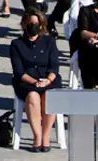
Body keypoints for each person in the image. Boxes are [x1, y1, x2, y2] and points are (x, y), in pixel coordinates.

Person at [9, 8, 62, 153]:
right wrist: (34, 82)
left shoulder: (49, 41)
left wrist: (48, 80)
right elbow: (18, 72)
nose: (33, 26)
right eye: (30, 23)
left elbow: (54, 66)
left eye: (36, 23)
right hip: (26, 82)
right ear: (24, 24)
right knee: (33, 96)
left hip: (48, 80)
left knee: (51, 96)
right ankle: (37, 136)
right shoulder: (16, 44)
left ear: (41, 25)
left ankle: (46, 136)